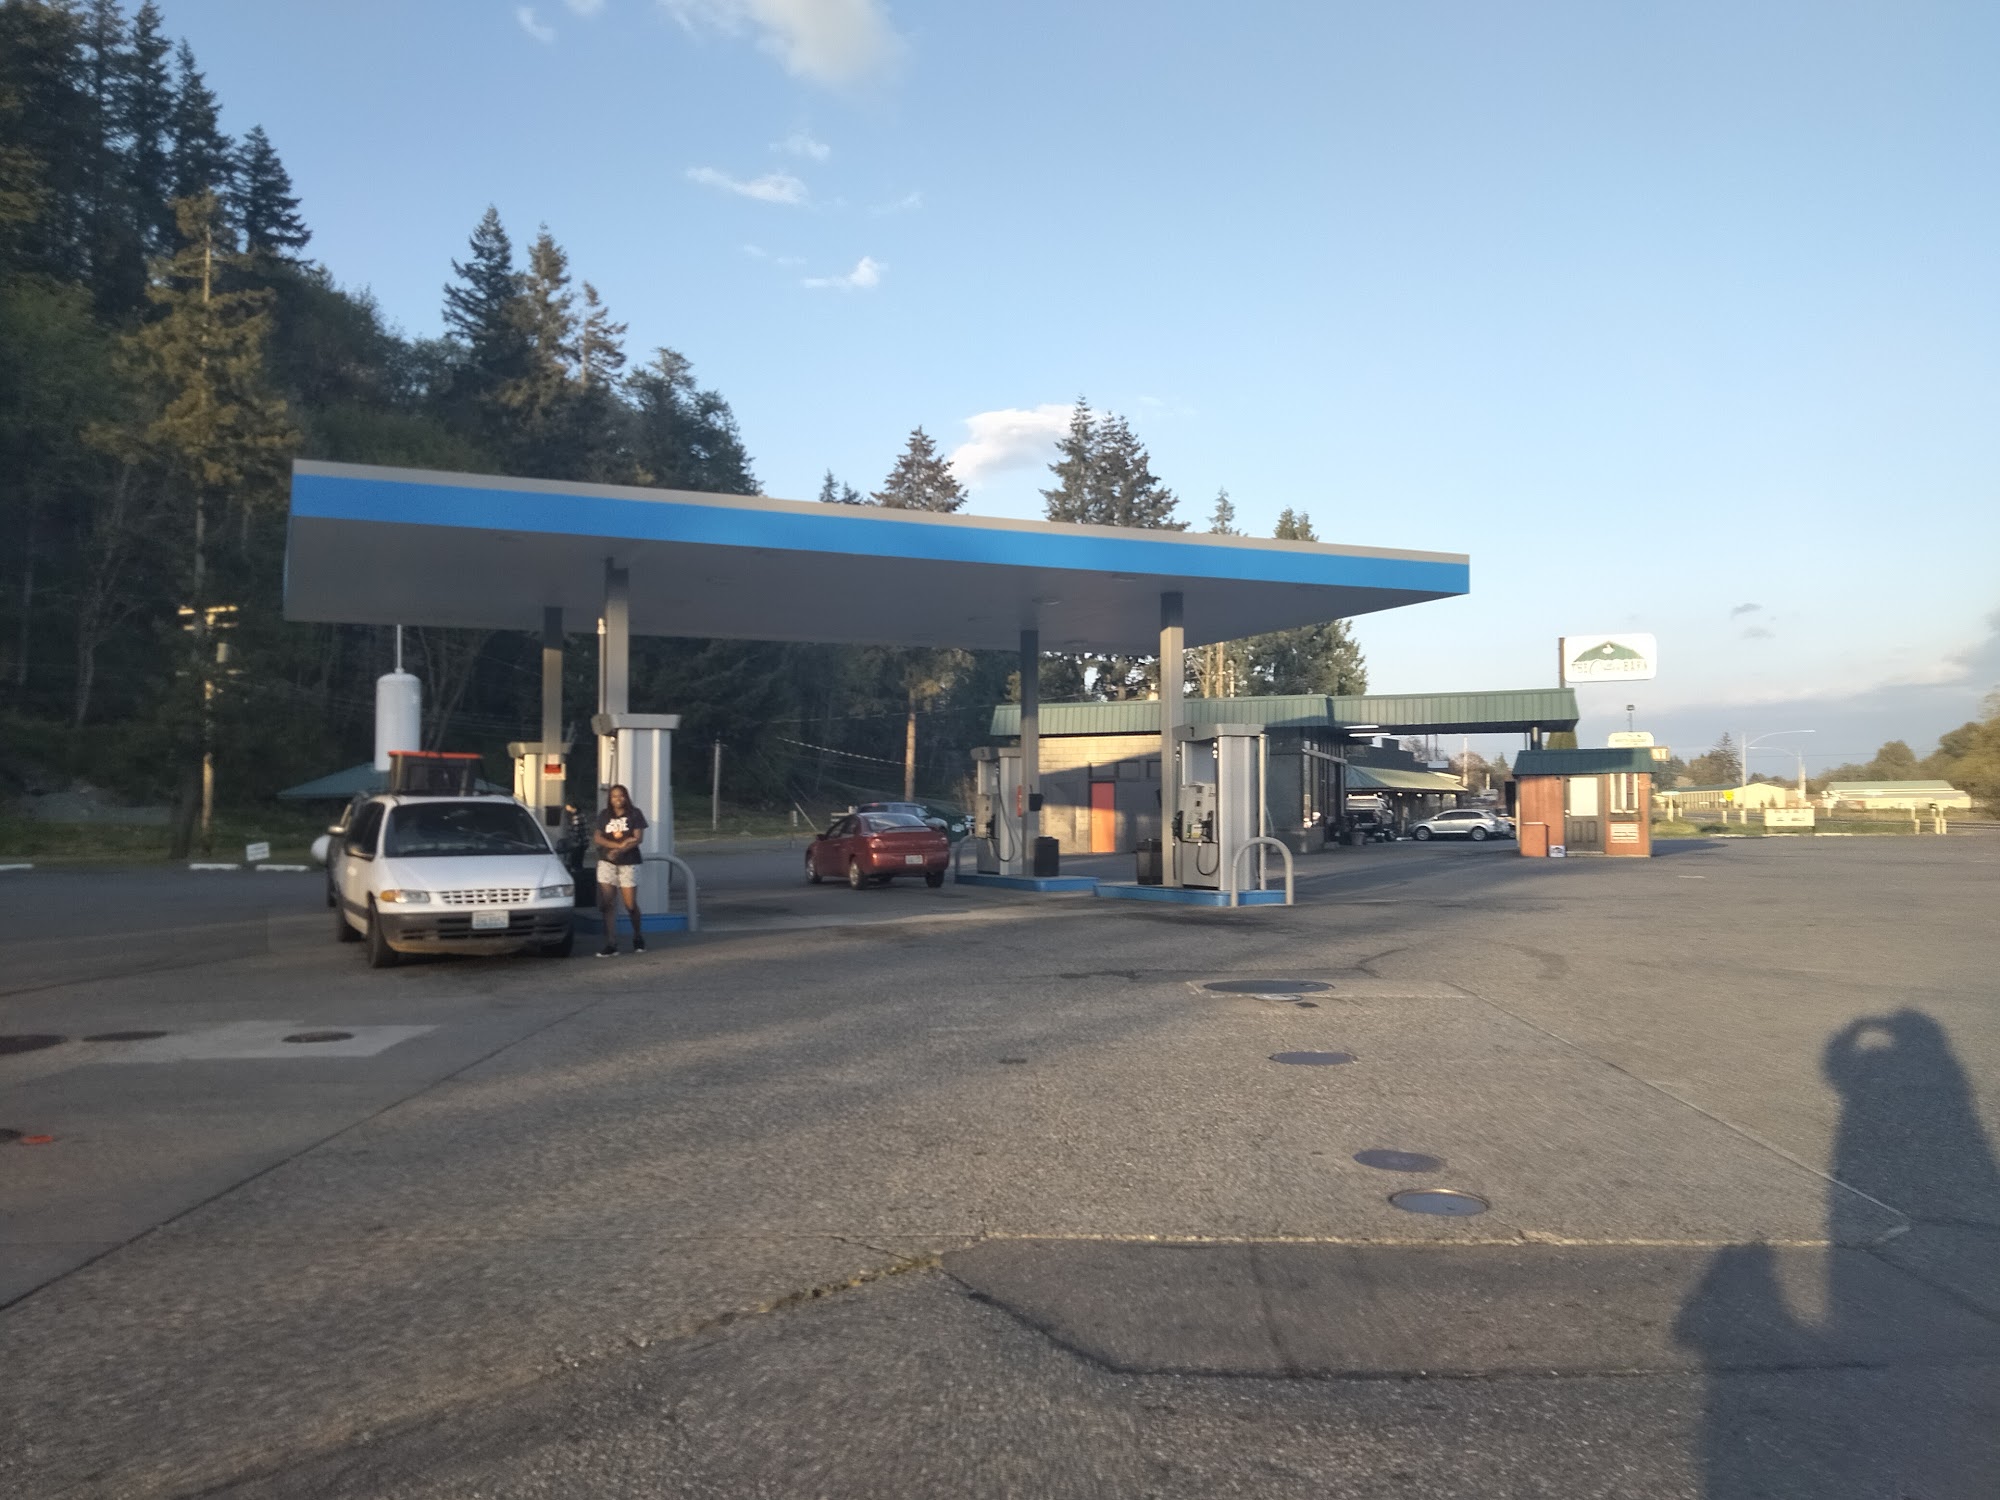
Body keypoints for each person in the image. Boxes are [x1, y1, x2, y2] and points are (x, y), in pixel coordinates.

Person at [591, 784, 649, 956]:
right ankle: (611, 943)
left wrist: (621, 851)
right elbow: (598, 837)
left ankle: (637, 936)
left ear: (626, 797)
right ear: (610, 798)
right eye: (614, 796)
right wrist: (618, 846)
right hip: (606, 862)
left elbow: (637, 838)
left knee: (630, 904)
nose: (618, 799)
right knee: (607, 903)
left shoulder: (635, 814)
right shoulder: (604, 815)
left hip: (629, 862)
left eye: (621, 795)